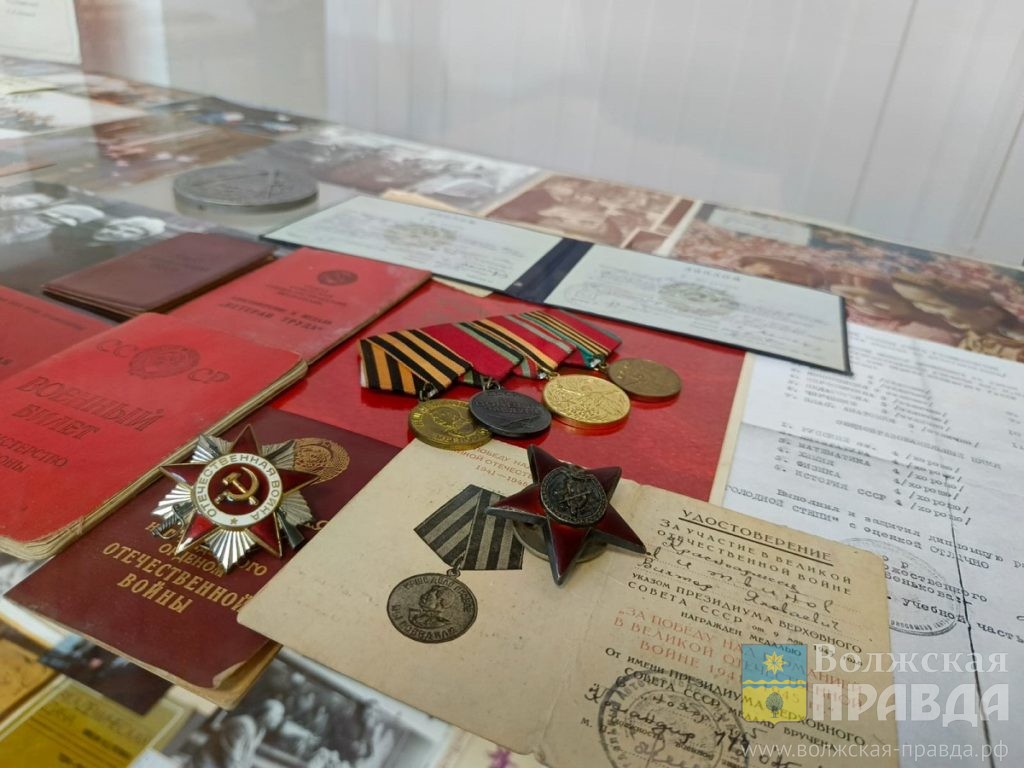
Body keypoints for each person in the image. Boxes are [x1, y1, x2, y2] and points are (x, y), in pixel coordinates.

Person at [189, 699, 285, 768]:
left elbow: (246, 757)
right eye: (278, 715)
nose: (279, 720)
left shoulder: (261, 731)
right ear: (265, 714)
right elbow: (231, 757)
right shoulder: (241, 725)